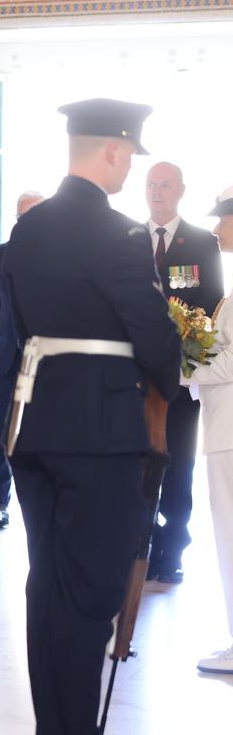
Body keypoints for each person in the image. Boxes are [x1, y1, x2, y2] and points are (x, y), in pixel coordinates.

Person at [4, 98, 180, 733]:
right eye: (130, 154)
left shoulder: (29, 228)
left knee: (47, 583)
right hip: (101, 434)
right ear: (111, 149)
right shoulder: (122, 232)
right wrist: (169, 382)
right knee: (90, 589)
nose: (131, 166)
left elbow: (21, 326)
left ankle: (54, 723)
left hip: (35, 426)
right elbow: (154, 336)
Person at [144, 161, 224, 583]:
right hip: (137, 380)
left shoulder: (201, 244)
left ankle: (171, 551)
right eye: (152, 185)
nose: (157, 192)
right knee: (141, 463)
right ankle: (139, 545)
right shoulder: (129, 240)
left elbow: (211, 304)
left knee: (178, 466)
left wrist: (192, 357)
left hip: (181, 377)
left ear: (180, 191)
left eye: (166, 185)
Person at [183, 185, 233, 674]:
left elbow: (229, 362)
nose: (217, 229)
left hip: (230, 434)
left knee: (230, 537)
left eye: (224, 219)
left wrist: (183, 367)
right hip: (224, 427)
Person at [0, 191, 44, 528]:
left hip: (45, 360)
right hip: (7, 357)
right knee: (5, 428)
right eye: (22, 217)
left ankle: (40, 499)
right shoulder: (1, 254)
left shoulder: (59, 254)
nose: (27, 222)